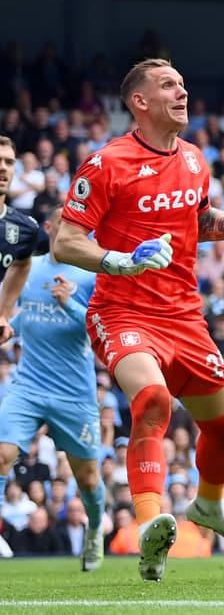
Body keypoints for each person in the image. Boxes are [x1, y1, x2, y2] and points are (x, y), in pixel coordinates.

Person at [53, 58, 224, 582]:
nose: (183, 90)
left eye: (182, 83)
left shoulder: (194, 160)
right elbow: (65, 241)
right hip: (122, 309)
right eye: (168, 85)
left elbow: (200, 223)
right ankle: (151, 527)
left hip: (184, 317)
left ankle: (210, 508)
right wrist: (117, 261)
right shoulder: (106, 163)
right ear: (140, 102)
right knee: (151, 402)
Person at [0, 208, 106, 572]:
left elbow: (99, 330)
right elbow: (11, 312)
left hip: (73, 394)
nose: (75, 232)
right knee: (2, 452)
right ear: (49, 229)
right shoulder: (27, 269)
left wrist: (70, 303)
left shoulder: (92, 275)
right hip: (28, 384)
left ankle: (94, 530)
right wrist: (7, 326)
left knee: (88, 478)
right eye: (66, 226)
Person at [0, 134, 44, 341]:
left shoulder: (24, 228)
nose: (3, 168)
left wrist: (3, 314)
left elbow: (21, 265)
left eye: (9, 162)